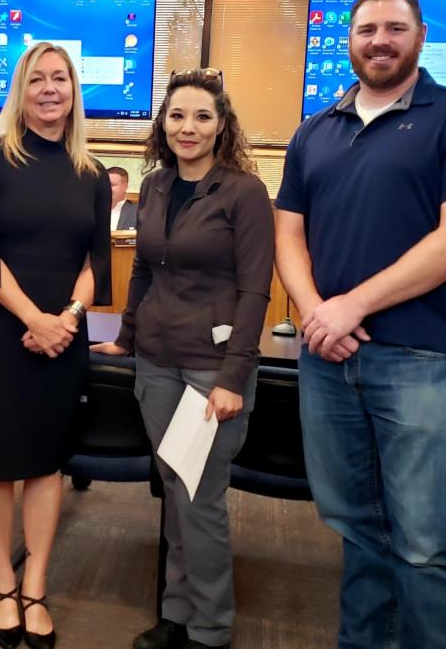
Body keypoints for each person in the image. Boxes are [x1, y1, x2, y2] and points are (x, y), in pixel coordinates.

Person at [275, 0, 446, 648]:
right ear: (347, 41)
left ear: (419, 38)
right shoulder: (314, 131)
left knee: (426, 542)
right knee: (359, 533)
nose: (378, 40)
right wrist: (316, 313)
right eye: (365, 30)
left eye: (393, 28)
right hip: (330, 360)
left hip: (418, 361)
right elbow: (288, 235)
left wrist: (350, 305)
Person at [93, 69, 274, 649]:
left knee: (199, 499)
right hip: (156, 363)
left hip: (209, 370)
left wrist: (233, 377)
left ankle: (211, 627)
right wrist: (125, 336)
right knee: (173, 488)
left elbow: (255, 291)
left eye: (201, 116)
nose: (187, 127)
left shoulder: (244, 192)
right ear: (162, 123)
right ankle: (175, 612)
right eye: (177, 116)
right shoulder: (156, 185)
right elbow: (144, 270)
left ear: (222, 126)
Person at [0, 42, 111, 649]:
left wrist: (65, 319)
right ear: (21, 89)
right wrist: (33, 319)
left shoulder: (91, 172)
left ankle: (36, 583)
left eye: (61, 79)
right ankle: (1, 578)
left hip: (61, 338)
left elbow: (97, 259)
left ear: (74, 91)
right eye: (37, 79)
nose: (50, 89)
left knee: (46, 465)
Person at [108, 166, 138, 230]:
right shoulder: (93, 210)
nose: (107, 188)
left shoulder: (138, 212)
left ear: (125, 186)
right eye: (105, 184)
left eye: (112, 185)